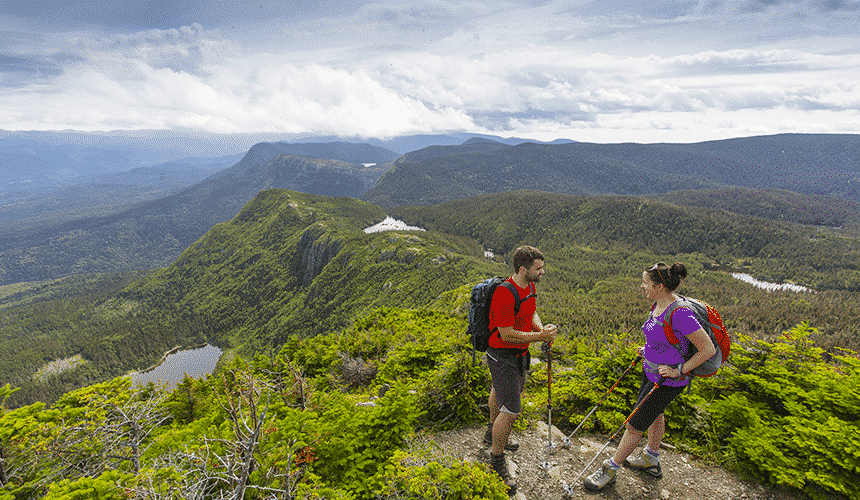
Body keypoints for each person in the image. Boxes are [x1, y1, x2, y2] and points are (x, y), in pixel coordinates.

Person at [583, 262, 716, 492]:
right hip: (652, 372)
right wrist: (649, 350)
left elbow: (708, 350)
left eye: (645, 283)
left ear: (659, 286)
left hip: (667, 380)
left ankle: (611, 469)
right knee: (656, 414)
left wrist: (679, 370)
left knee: (635, 425)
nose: (642, 286)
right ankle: (651, 459)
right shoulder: (659, 304)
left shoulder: (681, 313)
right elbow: (665, 337)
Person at [483, 245, 558, 494]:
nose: (542, 272)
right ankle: (496, 459)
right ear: (523, 269)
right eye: (538, 268)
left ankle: (491, 431)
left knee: (498, 391)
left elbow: (531, 310)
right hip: (502, 355)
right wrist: (539, 338)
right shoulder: (505, 293)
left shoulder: (529, 287)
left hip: (518, 355)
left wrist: (540, 330)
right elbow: (506, 334)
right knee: (512, 409)